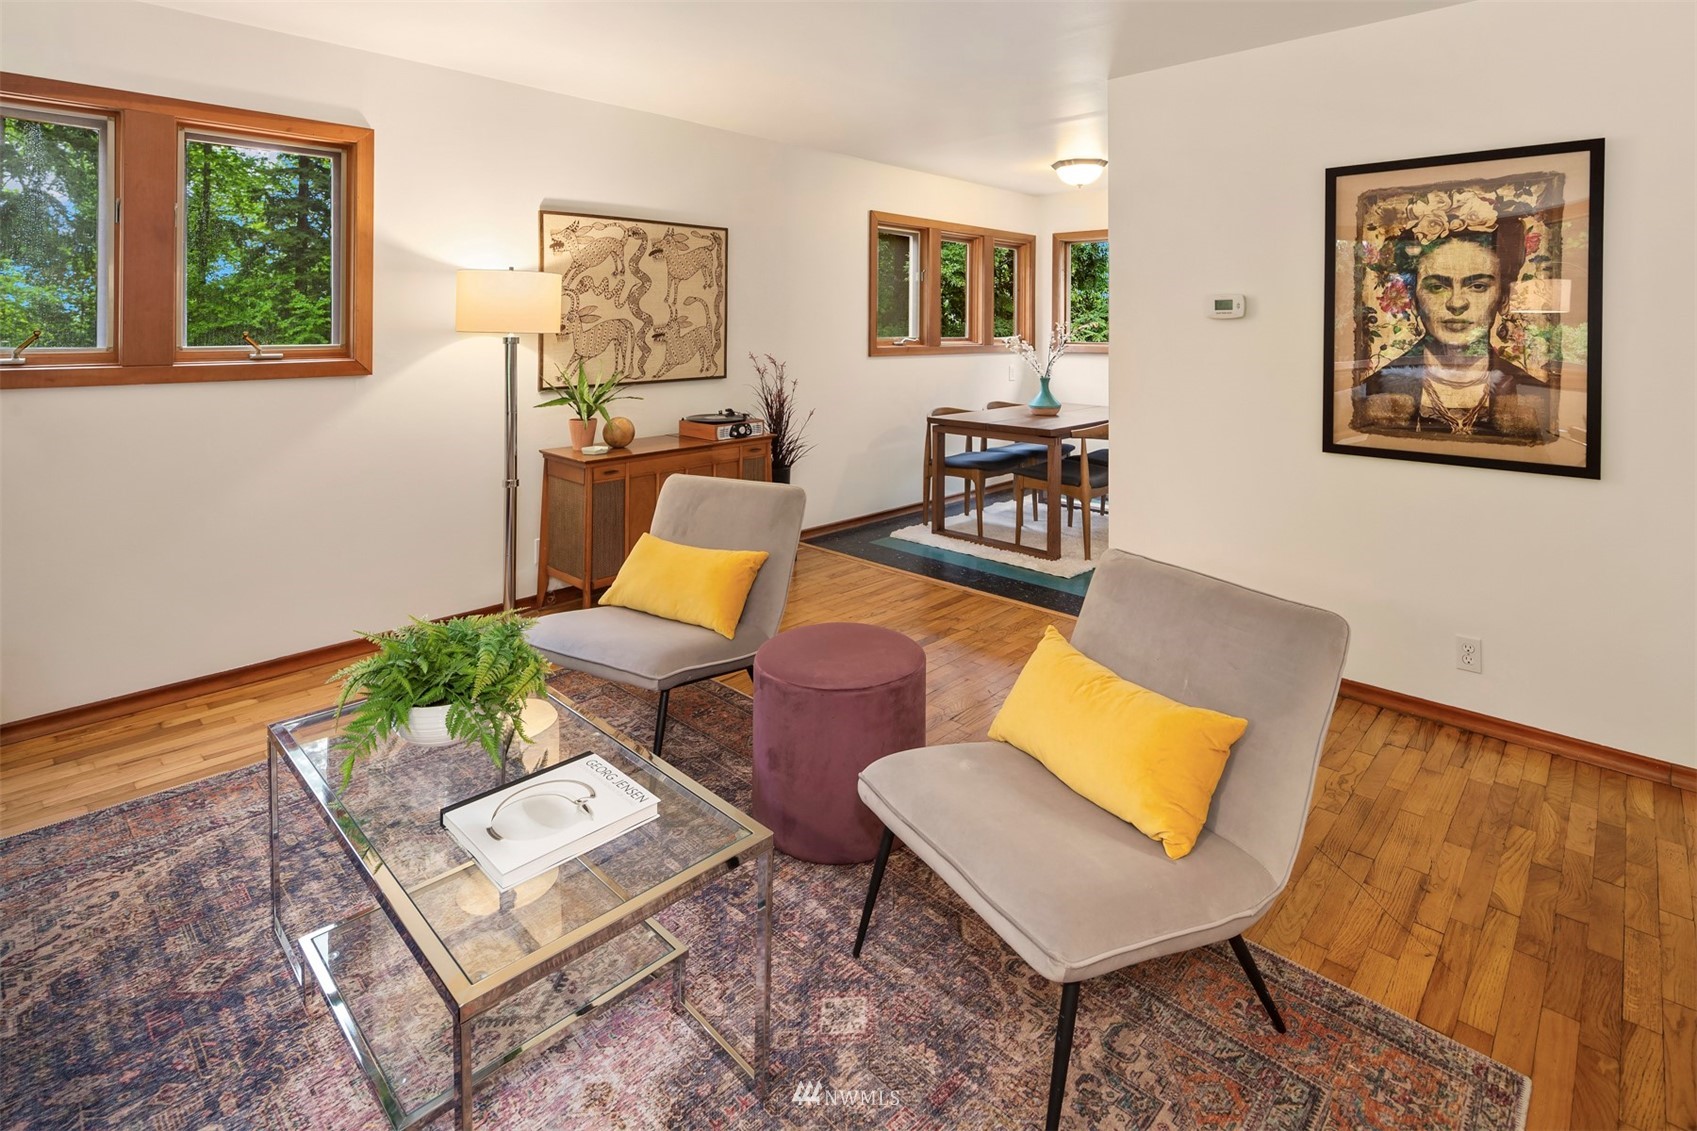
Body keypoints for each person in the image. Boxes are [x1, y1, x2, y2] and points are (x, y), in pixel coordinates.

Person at [1352, 221, 1553, 443]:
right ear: (1415, 301)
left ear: (1503, 299)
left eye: (1478, 286)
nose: (1456, 303)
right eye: (1437, 287)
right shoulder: (1379, 387)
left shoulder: (1532, 393)